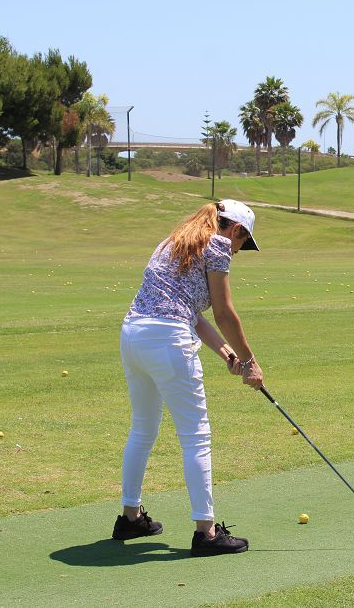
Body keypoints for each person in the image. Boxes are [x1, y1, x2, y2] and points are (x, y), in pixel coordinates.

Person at [112, 199, 265, 557]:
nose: (239, 250)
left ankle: (130, 518)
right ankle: (206, 533)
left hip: (133, 335)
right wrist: (250, 361)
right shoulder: (220, 244)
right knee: (196, 437)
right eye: (244, 243)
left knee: (142, 429)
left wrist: (228, 354)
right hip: (166, 340)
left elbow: (191, 312)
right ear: (237, 230)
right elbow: (225, 312)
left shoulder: (175, 241)